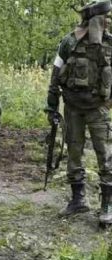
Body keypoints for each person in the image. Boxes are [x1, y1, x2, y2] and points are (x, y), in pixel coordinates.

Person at [45, 0, 112, 225]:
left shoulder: (110, 43)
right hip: (73, 109)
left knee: (105, 156)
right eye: (105, 18)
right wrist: (51, 106)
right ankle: (78, 200)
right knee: (74, 154)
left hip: (97, 109)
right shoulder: (69, 41)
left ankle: (107, 205)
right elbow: (55, 75)